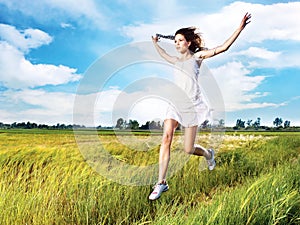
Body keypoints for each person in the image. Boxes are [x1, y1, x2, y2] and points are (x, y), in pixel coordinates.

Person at [149, 13, 251, 200]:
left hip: (192, 107)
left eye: (180, 41)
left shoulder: (197, 57)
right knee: (166, 138)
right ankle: (161, 182)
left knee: (188, 149)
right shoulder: (175, 60)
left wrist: (239, 28)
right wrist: (156, 43)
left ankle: (208, 154)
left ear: (188, 43)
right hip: (175, 104)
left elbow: (223, 48)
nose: (177, 44)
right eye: (176, 41)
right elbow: (163, 54)